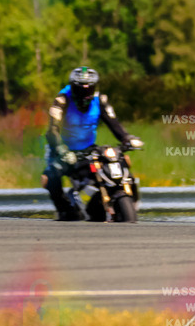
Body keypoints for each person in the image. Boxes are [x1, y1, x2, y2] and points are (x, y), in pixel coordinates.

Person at [43, 67, 142, 220]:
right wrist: (62, 150)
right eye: (80, 89)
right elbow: (52, 130)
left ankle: (123, 195)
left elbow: (113, 123)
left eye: (89, 89)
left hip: (88, 148)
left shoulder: (100, 100)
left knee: (116, 160)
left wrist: (126, 138)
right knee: (51, 175)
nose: (85, 94)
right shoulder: (62, 100)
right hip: (62, 148)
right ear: (73, 87)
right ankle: (65, 210)